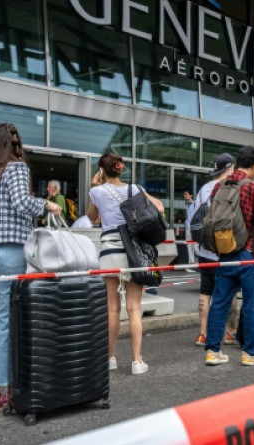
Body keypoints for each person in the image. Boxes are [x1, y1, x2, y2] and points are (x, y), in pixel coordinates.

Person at [0, 122, 62, 413]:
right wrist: (48, 205)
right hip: (9, 251)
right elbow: (23, 203)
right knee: (6, 321)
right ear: (15, 143)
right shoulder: (16, 168)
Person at [87, 152, 164, 375]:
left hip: (109, 251)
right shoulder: (135, 189)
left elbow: (92, 217)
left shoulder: (96, 191)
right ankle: (137, 361)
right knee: (134, 308)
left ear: (102, 170)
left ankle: (110, 358)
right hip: (134, 252)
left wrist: (95, 185)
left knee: (112, 308)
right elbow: (158, 207)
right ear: (120, 168)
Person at [204, 146, 254, 367]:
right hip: (250, 252)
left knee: (220, 302)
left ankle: (213, 352)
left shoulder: (220, 186)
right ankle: (250, 353)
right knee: (252, 304)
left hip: (225, 252)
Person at [186, 153, 241, 346]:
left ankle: (203, 333)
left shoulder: (203, 190)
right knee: (227, 291)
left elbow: (193, 217)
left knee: (205, 291)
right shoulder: (231, 188)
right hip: (224, 249)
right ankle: (228, 332)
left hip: (204, 250)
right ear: (230, 168)